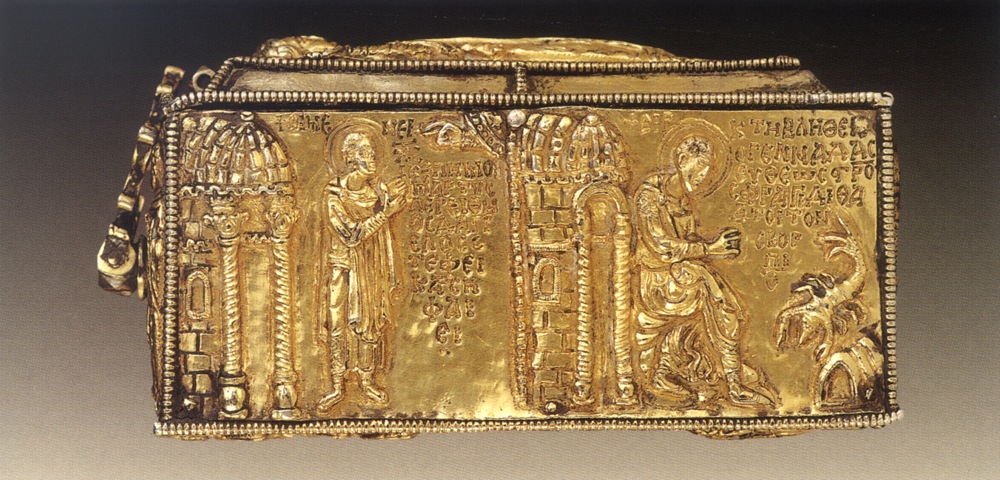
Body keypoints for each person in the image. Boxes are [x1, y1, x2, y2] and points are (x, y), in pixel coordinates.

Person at [634, 135, 776, 408]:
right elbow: (661, 246)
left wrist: (715, 250)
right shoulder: (649, 195)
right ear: (680, 160)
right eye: (698, 168)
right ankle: (734, 384)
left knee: (719, 296)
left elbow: (686, 244)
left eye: (706, 172)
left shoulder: (683, 201)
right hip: (657, 281)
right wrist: (710, 249)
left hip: (680, 275)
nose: (702, 177)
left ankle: (721, 370)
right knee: (717, 298)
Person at [318, 132, 408, 410]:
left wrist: (387, 201)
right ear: (349, 158)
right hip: (343, 267)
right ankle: (337, 385)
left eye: (372, 153)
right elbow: (351, 234)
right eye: (364, 153)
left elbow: (378, 233)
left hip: (371, 265)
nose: (371, 159)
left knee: (370, 321)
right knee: (338, 323)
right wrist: (385, 213)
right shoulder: (333, 195)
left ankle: (367, 381)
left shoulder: (375, 192)